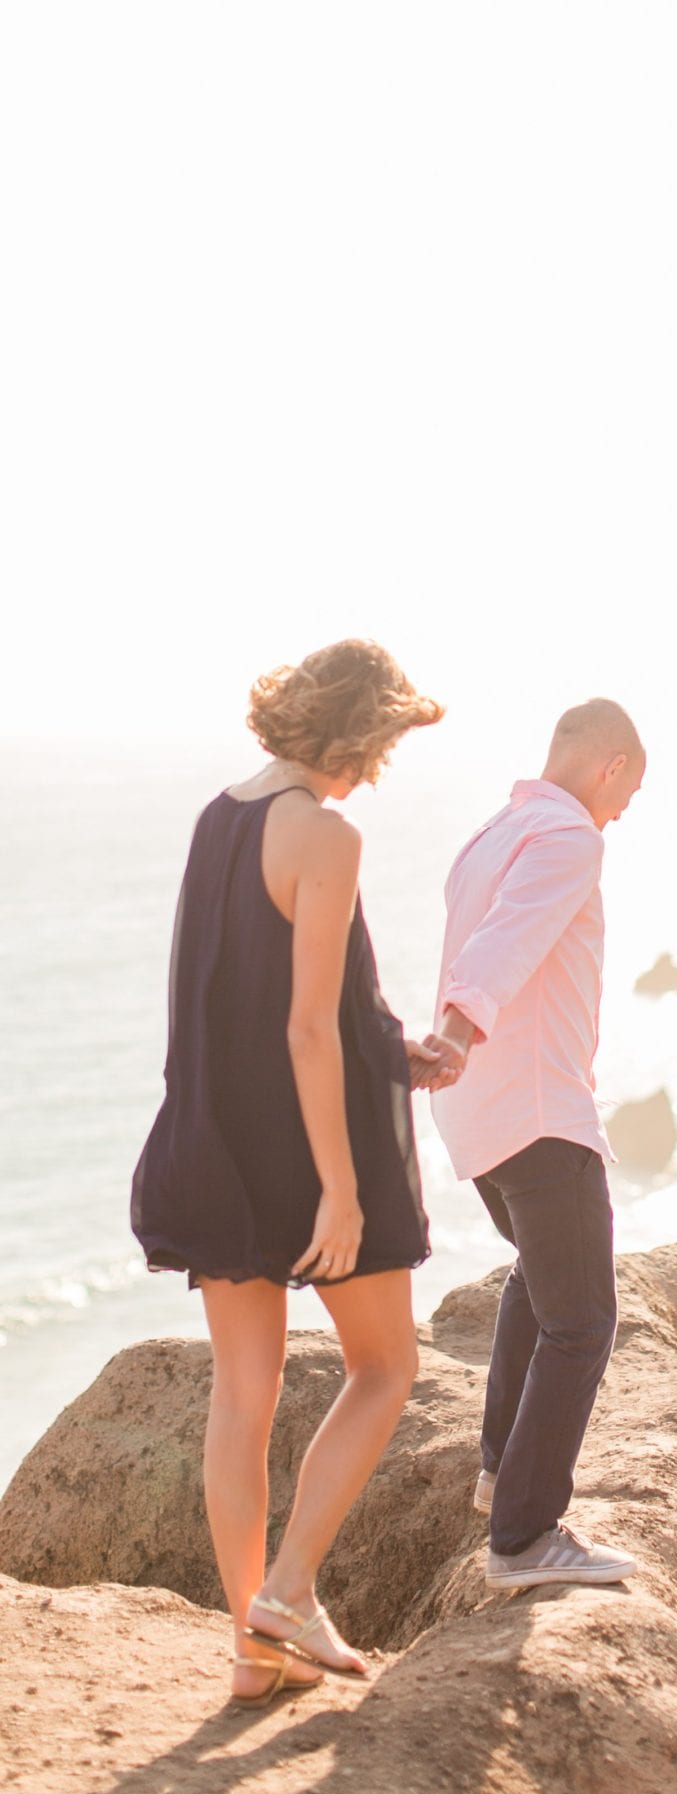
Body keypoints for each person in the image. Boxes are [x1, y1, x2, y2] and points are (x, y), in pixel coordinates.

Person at [131, 639, 454, 1706]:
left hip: (218, 1144)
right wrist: (345, 1187)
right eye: (385, 745)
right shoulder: (327, 831)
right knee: (384, 1369)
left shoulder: (220, 816)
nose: (381, 770)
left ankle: (253, 1650)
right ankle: (290, 1589)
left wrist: (389, 1048)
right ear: (360, 734)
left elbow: (245, 995)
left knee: (244, 1394)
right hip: (309, 1150)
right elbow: (306, 1027)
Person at [426, 699, 645, 1590]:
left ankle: (496, 1473)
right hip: (538, 1108)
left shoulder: (492, 832)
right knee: (586, 1320)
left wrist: (450, 1044)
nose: (625, 810)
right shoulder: (568, 838)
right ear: (613, 768)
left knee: (536, 1272)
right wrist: (457, 1028)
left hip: (481, 1112)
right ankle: (523, 1538)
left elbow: (475, 937)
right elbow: (501, 947)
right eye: (630, 790)